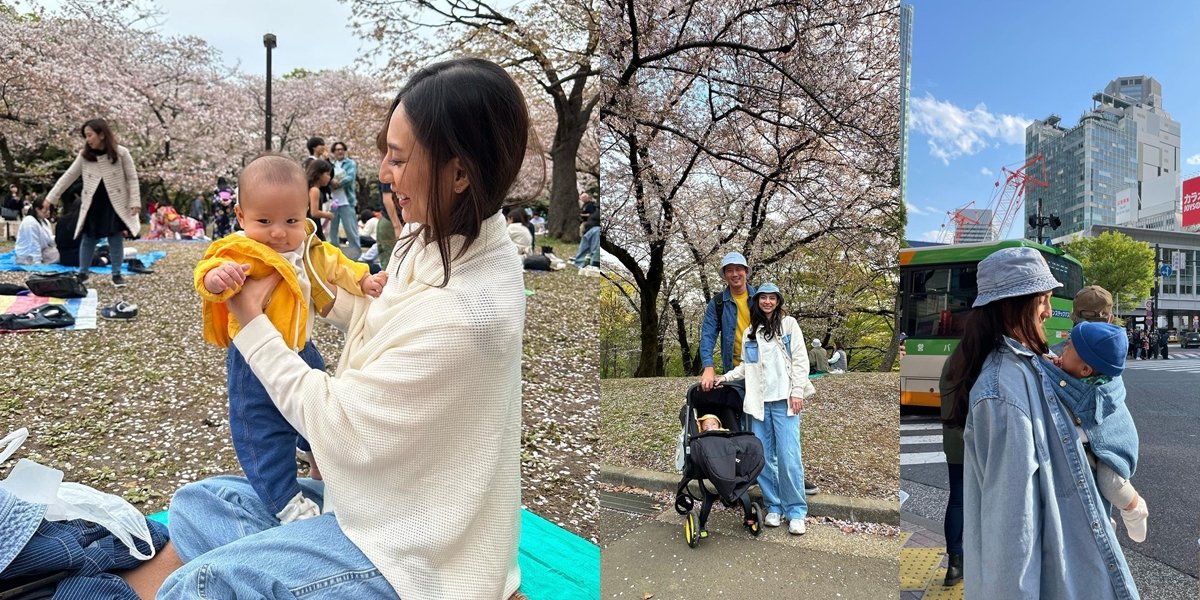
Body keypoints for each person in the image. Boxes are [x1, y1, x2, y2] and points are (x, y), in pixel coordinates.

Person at [155, 57, 531, 600]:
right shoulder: (432, 235)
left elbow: (331, 420)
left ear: (459, 172)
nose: (382, 172)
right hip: (378, 497)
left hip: (414, 551)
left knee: (197, 585)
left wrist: (250, 322)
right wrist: (309, 296)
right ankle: (291, 560)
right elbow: (386, 319)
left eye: (399, 159)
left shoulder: (471, 315)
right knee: (198, 502)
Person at [194, 154, 388, 525]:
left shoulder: (308, 246)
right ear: (240, 216)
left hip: (301, 347)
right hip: (251, 358)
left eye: (291, 221)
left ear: (306, 215)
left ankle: (319, 456)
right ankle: (286, 503)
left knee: (323, 406)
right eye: (264, 221)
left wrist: (363, 280)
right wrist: (217, 278)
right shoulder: (237, 250)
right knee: (260, 431)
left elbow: (336, 264)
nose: (279, 232)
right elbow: (206, 269)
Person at [944, 247, 1138, 599]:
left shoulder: (1030, 365)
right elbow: (1011, 530)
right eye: (1043, 301)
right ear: (1010, 305)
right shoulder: (1002, 391)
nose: (1050, 311)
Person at [715, 283, 816, 536]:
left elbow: (801, 360)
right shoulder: (752, 331)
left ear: (778, 301)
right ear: (757, 301)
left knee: (788, 456)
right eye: (763, 298)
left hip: (785, 401)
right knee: (762, 457)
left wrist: (797, 392)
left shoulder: (789, 325)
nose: (768, 302)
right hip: (759, 404)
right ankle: (774, 506)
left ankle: (796, 511)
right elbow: (745, 368)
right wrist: (725, 378)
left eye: (772, 298)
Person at [1045, 322, 1147, 543]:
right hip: (1090, 441)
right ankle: (1101, 520)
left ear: (1085, 371)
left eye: (1069, 347)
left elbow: (1092, 426)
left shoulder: (1098, 393)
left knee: (1110, 484)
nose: (1062, 349)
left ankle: (1135, 508)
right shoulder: (1076, 370)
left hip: (1115, 441)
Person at [44, 118, 140, 288]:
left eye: (90, 135)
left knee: (115, 238)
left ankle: (117, 274)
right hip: (92, 204)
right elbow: (68, 176)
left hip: (114, 203)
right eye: (86, 136)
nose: (88, 139)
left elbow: (132, 178)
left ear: (102, 134)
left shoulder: (121, 153)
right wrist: (51, 198)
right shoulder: (85, 156)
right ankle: (83, 273)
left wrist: (135, 202)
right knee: (88, 238)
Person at [699, 252, 756, 391]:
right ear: (724, 275)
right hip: (733, 369)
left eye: (738, 269)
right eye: (729, 270)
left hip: (763, 367)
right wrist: (708, 367)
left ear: (746, 271)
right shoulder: (718, 303)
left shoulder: (761, 298)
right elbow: (708, 335)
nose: (735, 274)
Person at [328, 141, 361, 257]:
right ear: (334, 152)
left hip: (346, 201)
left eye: (342, 149)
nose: (340, 151)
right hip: (332, 202)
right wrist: (330, 183)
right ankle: (334, 256)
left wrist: (337, 183)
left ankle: (357, 256)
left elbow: (350, 178)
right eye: (337, 149)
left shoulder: (350, 163)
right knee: (332, 231)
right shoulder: (330, 164)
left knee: (351, 230)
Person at [14, 197, 58, 265]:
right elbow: (33, 244)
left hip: (43, 250)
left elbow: (49, 239)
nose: (48, 211)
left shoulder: (45, 221)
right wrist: (37, 263)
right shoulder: (30, 222)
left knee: (65, 253)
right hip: (28, 256)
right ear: (37, 209)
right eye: (46, 209)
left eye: (49, 209)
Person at [305, 159, 335, 242]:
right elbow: (314, 212)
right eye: (327, 174)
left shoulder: (309, 188)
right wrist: (328, 215)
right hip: (314, 226)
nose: (329, 178)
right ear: (319, 174)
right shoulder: (315, 190)